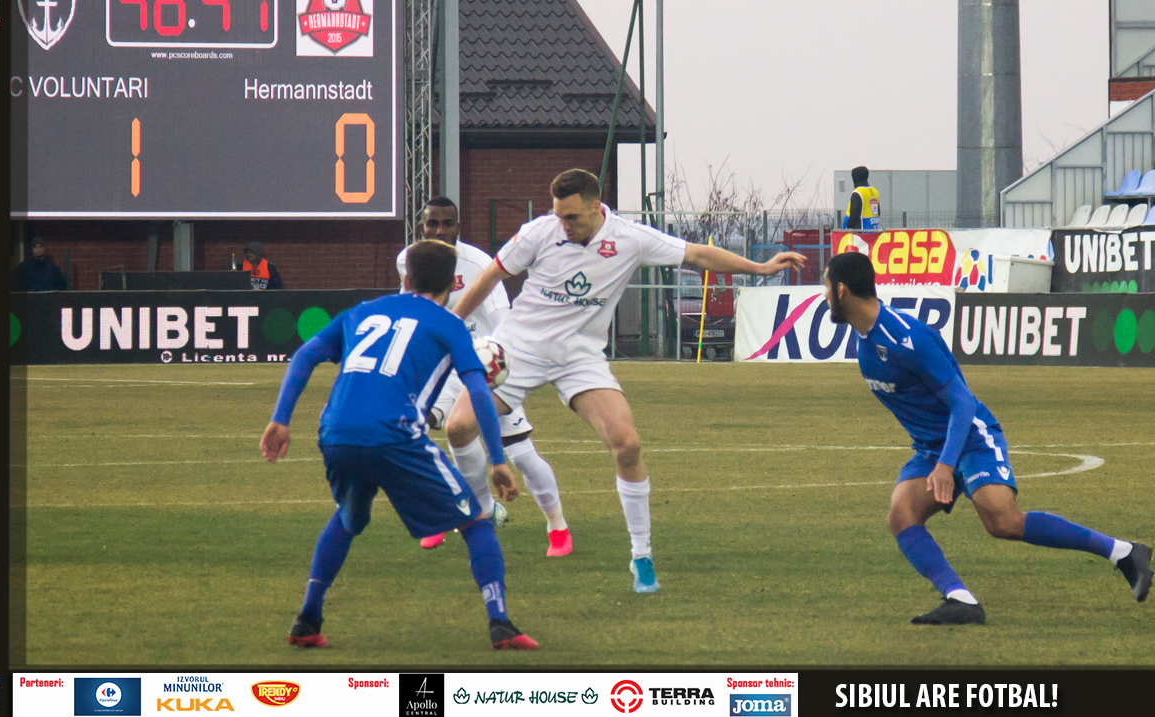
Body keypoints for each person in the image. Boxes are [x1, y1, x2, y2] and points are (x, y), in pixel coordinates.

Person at [445, 168, 807, 593]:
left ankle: (641, 558)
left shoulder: (630, 238)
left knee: (627, 443)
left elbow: (699, 256)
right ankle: (482, 512)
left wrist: (759, 268)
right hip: (517, 351)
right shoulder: (539, 233)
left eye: (573, 217)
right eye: (559, 215)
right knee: (458, 426)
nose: (564, 224)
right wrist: (449, 323)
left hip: (580, 358)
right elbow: (489, 277)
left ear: (597, 209)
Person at [823, 251, 1152, 624]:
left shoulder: (907, 337)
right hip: (933, 447)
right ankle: (960, 600)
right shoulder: (864, 342)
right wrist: (937, 456)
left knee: (1003, 522)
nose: (824, 295)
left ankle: (1124, 553)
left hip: (970, 435)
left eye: (825, 286)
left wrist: (948, 464)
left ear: (842, 289)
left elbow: (962, 401)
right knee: (902, 513)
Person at [259, 239, 538, 650]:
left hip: (336, 432)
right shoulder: (449, 325)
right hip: (394, 434)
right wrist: (497, 459)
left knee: (349, 517)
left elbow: (304, 354)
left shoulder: (362, 312)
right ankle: (500, 624)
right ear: (452, 283)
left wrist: (280, 419)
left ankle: (307, 620)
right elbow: (477, 390)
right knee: (476, 519)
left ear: (405, 276)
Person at [395, 197, 572, 556]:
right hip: (442, 367)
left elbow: (504, 320)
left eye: (448, 224)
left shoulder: (476, 263)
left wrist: (502, 362)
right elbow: (411, 308)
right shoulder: (408, 259)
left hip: (484, 364)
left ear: (459, 227)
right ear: (421, 226)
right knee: (412, 431)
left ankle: (557, 526)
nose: (439, 231)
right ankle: (465, 512)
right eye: (432, 224)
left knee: (520, 453)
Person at [843, 166, 881, 231]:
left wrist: (847, 225)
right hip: (873, 231)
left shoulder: (858, 192)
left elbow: (854, 216)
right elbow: (878, 212)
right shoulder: (875, 191)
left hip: (860, 233)